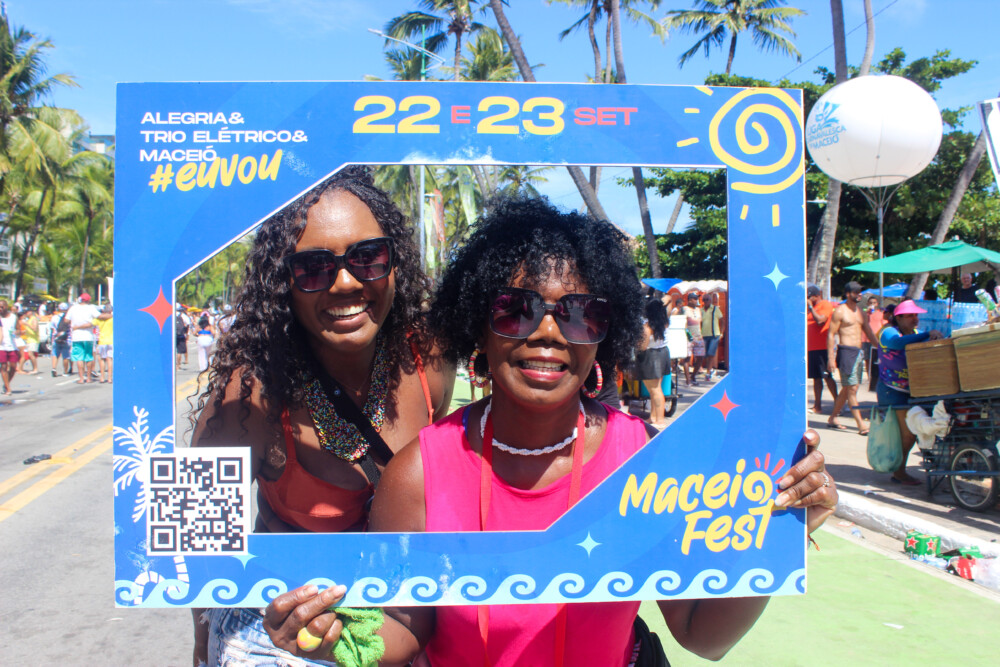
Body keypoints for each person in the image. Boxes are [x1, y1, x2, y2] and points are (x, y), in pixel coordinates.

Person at [264, 197, 838, 666]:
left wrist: (782, 531)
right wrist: (336, 639)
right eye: (516, 309)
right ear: (479, 326)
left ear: (604, 334)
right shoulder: (417, 474)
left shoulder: (643, 459)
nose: (547, 333)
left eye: (580, 314)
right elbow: (406, 628)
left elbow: (702, 635)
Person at [190, 166, 455, 665]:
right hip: (281, 626)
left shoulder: (428, 358)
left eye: (368, 258)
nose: (346, 283)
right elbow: (197, 536)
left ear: (395, 263)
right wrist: (203, 646)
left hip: (402, 610)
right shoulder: (250, 394)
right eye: (313, 268)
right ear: (282, 284)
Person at [875, 299, 943, 485]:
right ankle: (899, 472)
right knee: (908, 432)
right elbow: (896, 343)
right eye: (910, 316)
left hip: (913, 390)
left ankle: (900, 468)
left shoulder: (917, 334)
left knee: (911, 431)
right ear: (899, 318)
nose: (915, 319)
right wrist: (927, 334)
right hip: (891, 390)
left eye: (916, 315)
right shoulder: (889, 332)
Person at [826, 282, 878, 434]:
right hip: (846, 352)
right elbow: (831, 334)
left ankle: (833, 417)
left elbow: (868, 331)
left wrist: (881, 348)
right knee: (852, 388)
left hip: (858, 352)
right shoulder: (840, 311)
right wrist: (831, 358)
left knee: (848, 388)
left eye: (860, 292)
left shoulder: (861, 312)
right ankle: (861, 424)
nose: (859, 294)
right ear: (848, 294)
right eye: (856, 292)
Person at [636, 298, 671, 429]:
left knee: (655, 390)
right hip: (663, 353)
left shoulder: (647, 326)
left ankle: (660, 420)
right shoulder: (664, 323)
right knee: (656, 389)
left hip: (651, 357)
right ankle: (654, 417)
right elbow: (668, 299)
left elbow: (642, 346)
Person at [806, 285, 837, 414]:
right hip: (811, 348)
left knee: (827, 377)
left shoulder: (825, 305)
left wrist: (810, 307)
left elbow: (820, 321)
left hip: (822, 347)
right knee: (816, 378)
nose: (808, 299)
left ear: (816, 295)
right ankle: (817, 406)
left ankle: (838, 403)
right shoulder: (809, 308)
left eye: (809, 297)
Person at [66, 293, 101, 384]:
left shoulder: (73, 308)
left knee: (79, 358)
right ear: (88, 300)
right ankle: (89, 378)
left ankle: (81, 378)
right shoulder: (91, 308)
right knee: (88, 357)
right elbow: (99, 316)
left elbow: (66, 320)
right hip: (88, 336)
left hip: (76, 336)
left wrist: (74, 323)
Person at [700, 291, 724, 381]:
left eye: (707, 299)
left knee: (710, 353)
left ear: (710, 300)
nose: (705, 301)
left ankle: (708, 372)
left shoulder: (715, 309)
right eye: (704, 300)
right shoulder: (701, 310)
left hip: (714, 335)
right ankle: (710, 370)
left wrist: (721, 333)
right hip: (704, 335)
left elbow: (722, 321)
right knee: (706, 354)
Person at [682, 292, 704, 385]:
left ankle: (693, 376)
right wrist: (686, 334)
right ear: (690, 300)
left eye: (697, 299)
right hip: (688, 337)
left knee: (700, 357)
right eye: (695, 299)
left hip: (698, 336)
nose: (696, 300)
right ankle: (688, 380)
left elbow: (700, 323)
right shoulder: (684, 309)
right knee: (687, 358)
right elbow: (682, 323)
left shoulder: (698, 310)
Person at [861, 295, 884, 383]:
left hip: (876, 339)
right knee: (867, 359)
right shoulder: (865, 314)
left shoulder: (880, 314)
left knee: (877, 359)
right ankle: (869, 377)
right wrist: (867, 311)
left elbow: (883, 325)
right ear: (867, 303)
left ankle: (877, 376)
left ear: (877, 304)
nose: (872, 304)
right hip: (866, 339)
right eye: (870, 303)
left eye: (874, 303)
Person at [0, 299, 18, 395]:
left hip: (12, 345)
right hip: (1, 346)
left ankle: (6, 384)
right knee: (3, 367)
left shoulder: (13, 317)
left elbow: (19, 329)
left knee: (13, 367)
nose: (0, 309)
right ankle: (8, 388)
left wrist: (17, 332)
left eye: (2, 307)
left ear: (6, 307)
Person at [94, 305, 114, 383]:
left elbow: (92, 323)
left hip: (102, 341)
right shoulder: (113, 318)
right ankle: (109, 378)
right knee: (110, 359)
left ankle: (102, 377)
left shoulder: (99, 319)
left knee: (102, 359)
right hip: (111, 340)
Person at [175, 304, 192, 368]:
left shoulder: (170, 314)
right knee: (179, 351)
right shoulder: (183, 316)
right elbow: (188, 323)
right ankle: (178, 365)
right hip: (180, 335)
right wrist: (186, 332)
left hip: (173, 335)